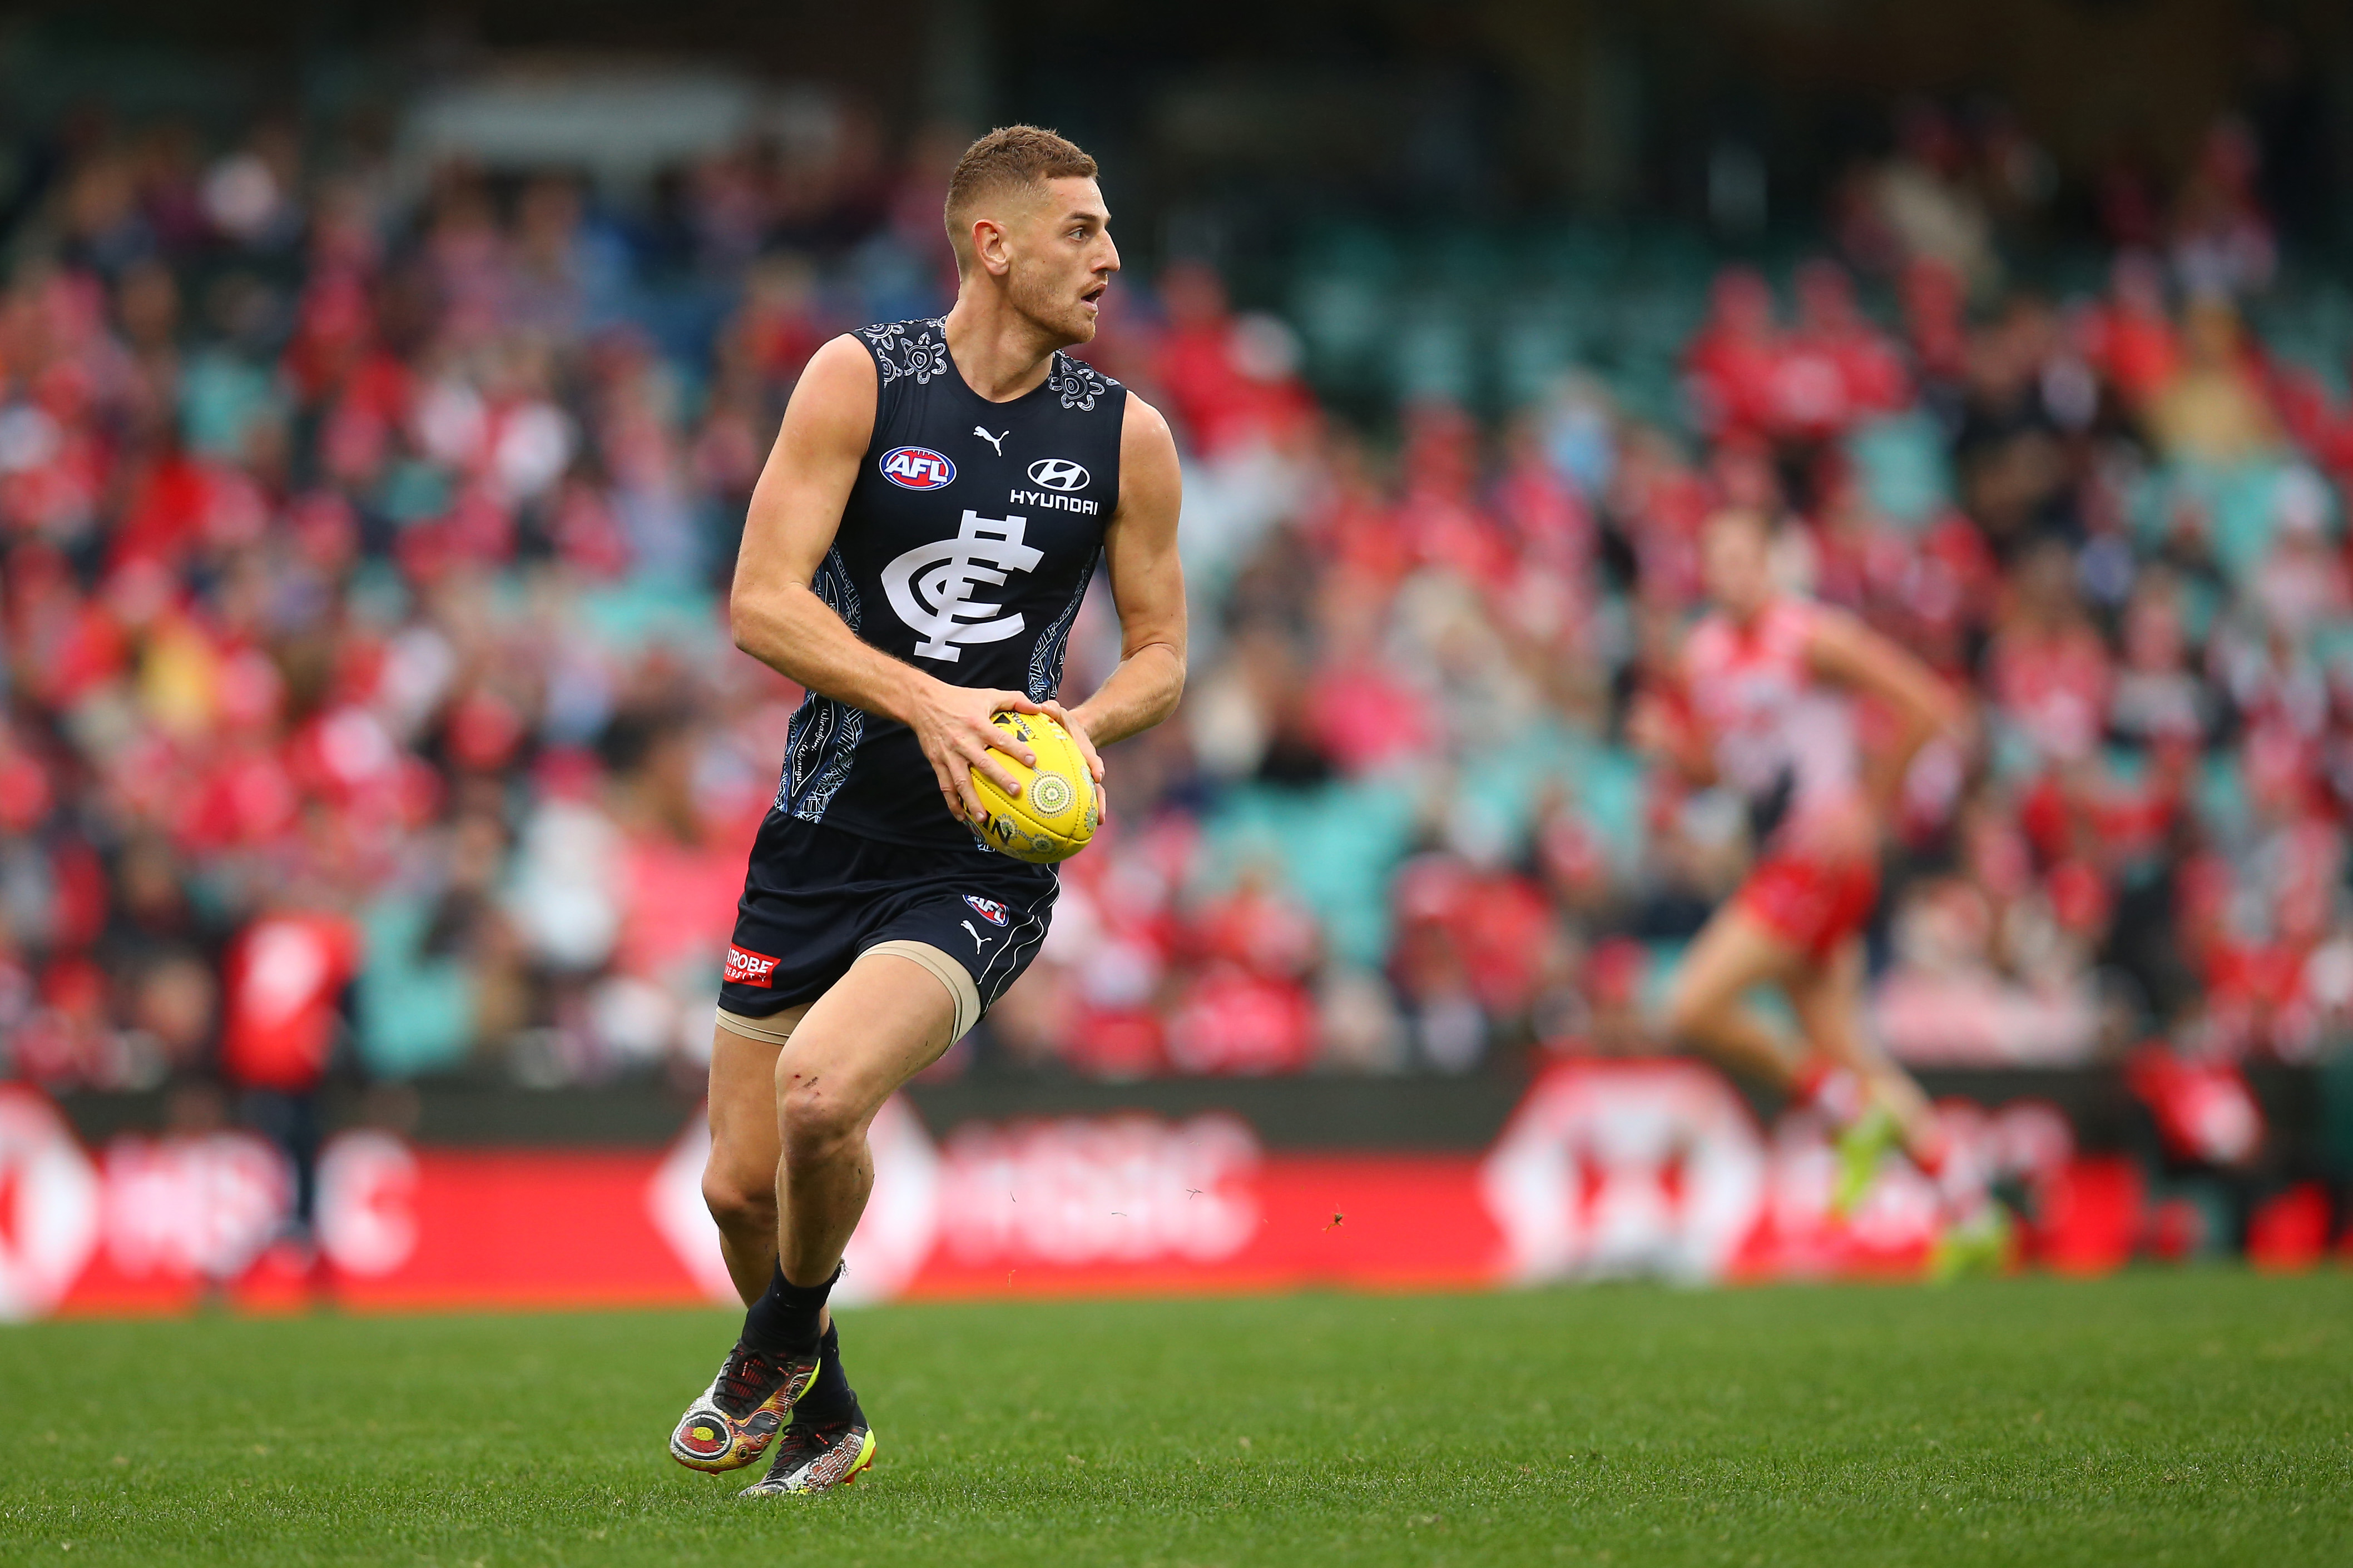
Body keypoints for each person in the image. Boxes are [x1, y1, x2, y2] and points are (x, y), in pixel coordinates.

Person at [668, 126, 1186, 1496]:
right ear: (992, 243)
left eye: (1110, 229)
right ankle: (827, 1416)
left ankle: (772, 1338)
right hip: (821, 829)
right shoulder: (859, 378)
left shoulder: (1125, 437)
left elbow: (1164, 654)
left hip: (980, 857)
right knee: (736, 1185)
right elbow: (760, 602)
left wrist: (1075, 724)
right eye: (1081, 230)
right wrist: (931, 704)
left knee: (822, 1098)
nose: (1111, 258)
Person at [1636, 508, 1990, 1252]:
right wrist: (1673, 752)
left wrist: (1869, 803)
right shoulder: (1700, 654)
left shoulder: (1812, 636)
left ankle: (1847, 1114)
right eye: (1717, 560)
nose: (1729, 575)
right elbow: (1731, 771)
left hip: (1818, 859)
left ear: (1771, 563)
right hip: (1778, 857)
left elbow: (1930, 705)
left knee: (1692, 1004)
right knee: (1849, 1052)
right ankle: (1971, 1208)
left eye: (1743, 559)